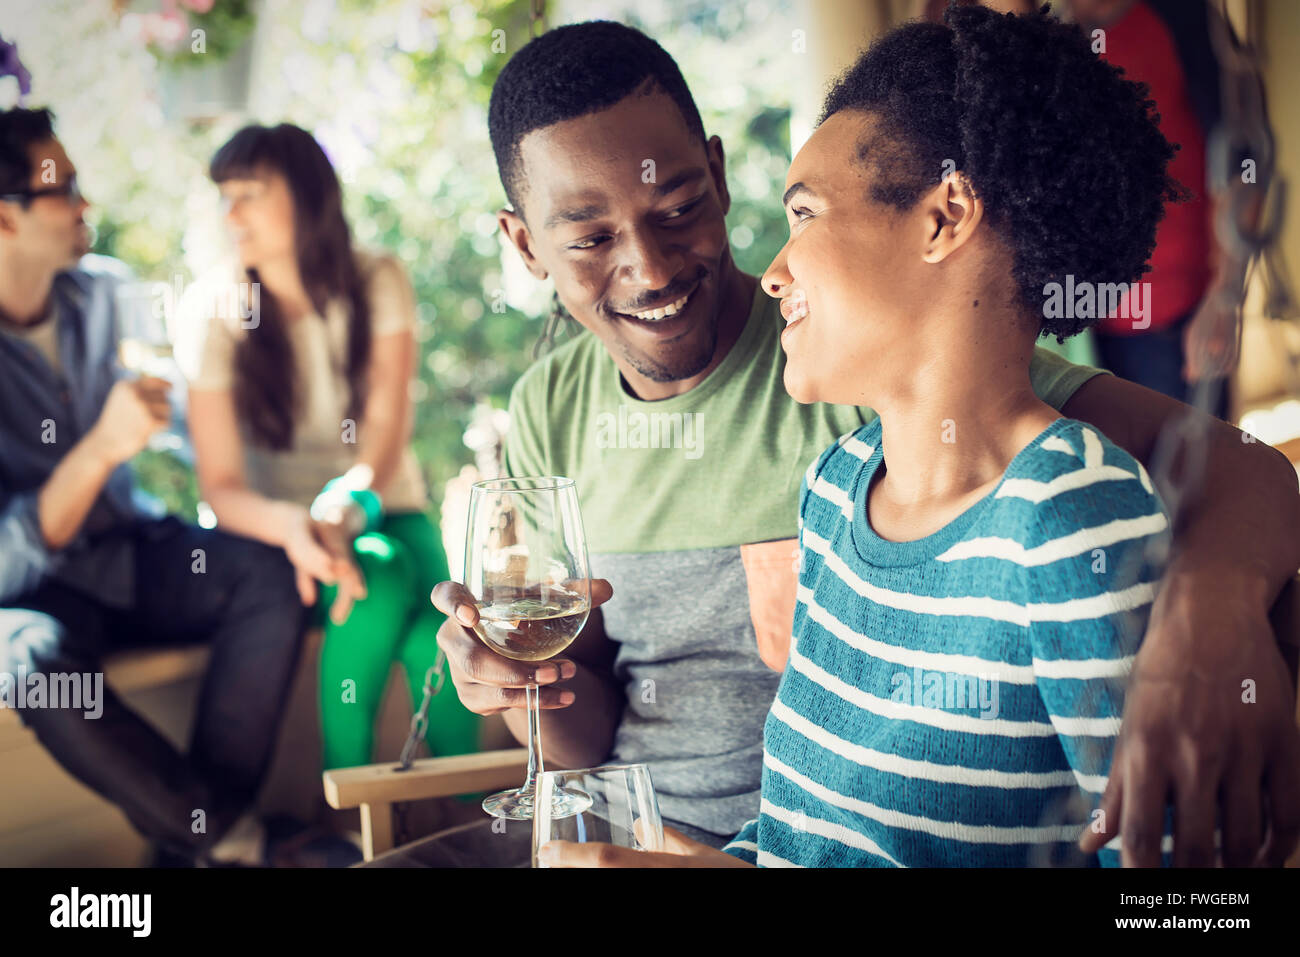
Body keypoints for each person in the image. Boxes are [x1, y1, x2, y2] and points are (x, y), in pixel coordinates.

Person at [396, 20, 1296, 868]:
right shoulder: (833, 481)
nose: (653, 266)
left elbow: (1186, 894)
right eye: (590, 238)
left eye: (680, 206)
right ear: (524, 245)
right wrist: (526, 686)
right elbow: (746, 802)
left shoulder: (1015, 474)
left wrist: (1209, 611)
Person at [0, 106, 307, 866]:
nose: (84, 205)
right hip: (32, 593)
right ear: (5, 220)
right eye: (62, 187)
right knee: (29, 664)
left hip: (131, 551)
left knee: (267, 575)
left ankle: (192, 849)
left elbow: (177, 414)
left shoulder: (105, 292)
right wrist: (100, 447)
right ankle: (231, 839)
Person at [175, 123, 481, 786]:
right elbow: (221, 487)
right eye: (224, 196)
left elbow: (383, 434)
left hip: (386, 507)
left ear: (309, 196)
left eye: (250, 193)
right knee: (373, 579)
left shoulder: (377, 278)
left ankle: (474, 829)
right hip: (276, 534)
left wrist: (350, 500)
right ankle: (352, 813)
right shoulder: (213, 309)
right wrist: (300, 524)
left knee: (450, 633)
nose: (232, 214)